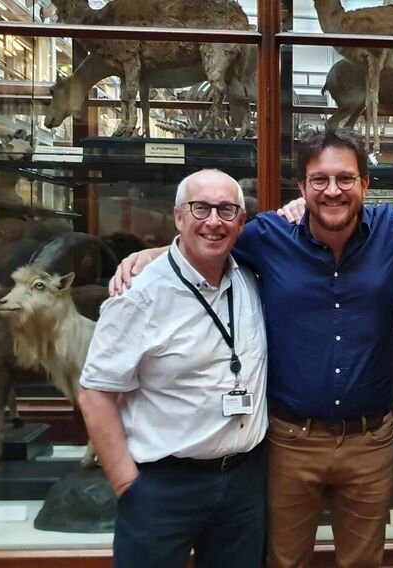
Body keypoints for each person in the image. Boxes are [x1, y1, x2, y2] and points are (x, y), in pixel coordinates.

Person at [111, 128, 393, 567]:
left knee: (362, 561)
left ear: (365, 184)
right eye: (320, 180)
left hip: (369, 444)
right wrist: (151, 255)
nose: (333, 190)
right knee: (284, 560)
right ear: (302, 187)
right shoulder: (269, 236)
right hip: (290, 441)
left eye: (345, 178)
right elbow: (207, 240)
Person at [77, 169, 268, 568]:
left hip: (244, 483)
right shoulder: (139, 294)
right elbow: (95, 393)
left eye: (226, 210)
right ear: (178, 217)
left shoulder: (250, 277)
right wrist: (127, 485)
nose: (214, 221)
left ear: (241, 222)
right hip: (164, 486)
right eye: (201, 208)